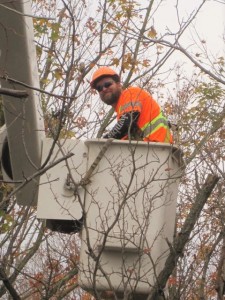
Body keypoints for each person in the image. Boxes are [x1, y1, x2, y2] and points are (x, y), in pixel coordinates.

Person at [91, 67, 173, 143]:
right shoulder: (121, 111)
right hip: (150, 150)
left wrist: (102, 142)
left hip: (157, 149)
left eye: (107, 84)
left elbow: (127, 121)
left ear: (119, 84)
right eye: (99, 88)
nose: (104, 89)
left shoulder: (130, 93)